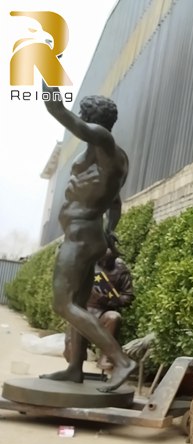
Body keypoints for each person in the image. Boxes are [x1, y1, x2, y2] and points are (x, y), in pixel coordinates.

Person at [39, 82, 136, 392]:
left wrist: (50, 82)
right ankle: (74, 368)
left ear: (94, 119)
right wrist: (109, 231)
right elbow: (116, 203)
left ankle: (120, 360)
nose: (80, 118)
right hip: (89, 233)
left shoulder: (104, 141)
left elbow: (62, 114)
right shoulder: (104, 156)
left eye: (83, 114)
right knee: (78, 302)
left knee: (63, 303)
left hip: (81, 235)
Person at [63, 243, 134, 371]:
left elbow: (128, 296)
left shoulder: (121, 269)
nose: (104, 264)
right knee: (71, 354)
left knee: (114, 317)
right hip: (82, 312)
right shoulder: (88, 264)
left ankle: (105, 357)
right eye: (101, 260)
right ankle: (74, 362)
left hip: (103, 313)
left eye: (109, 261)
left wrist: (111, 299)